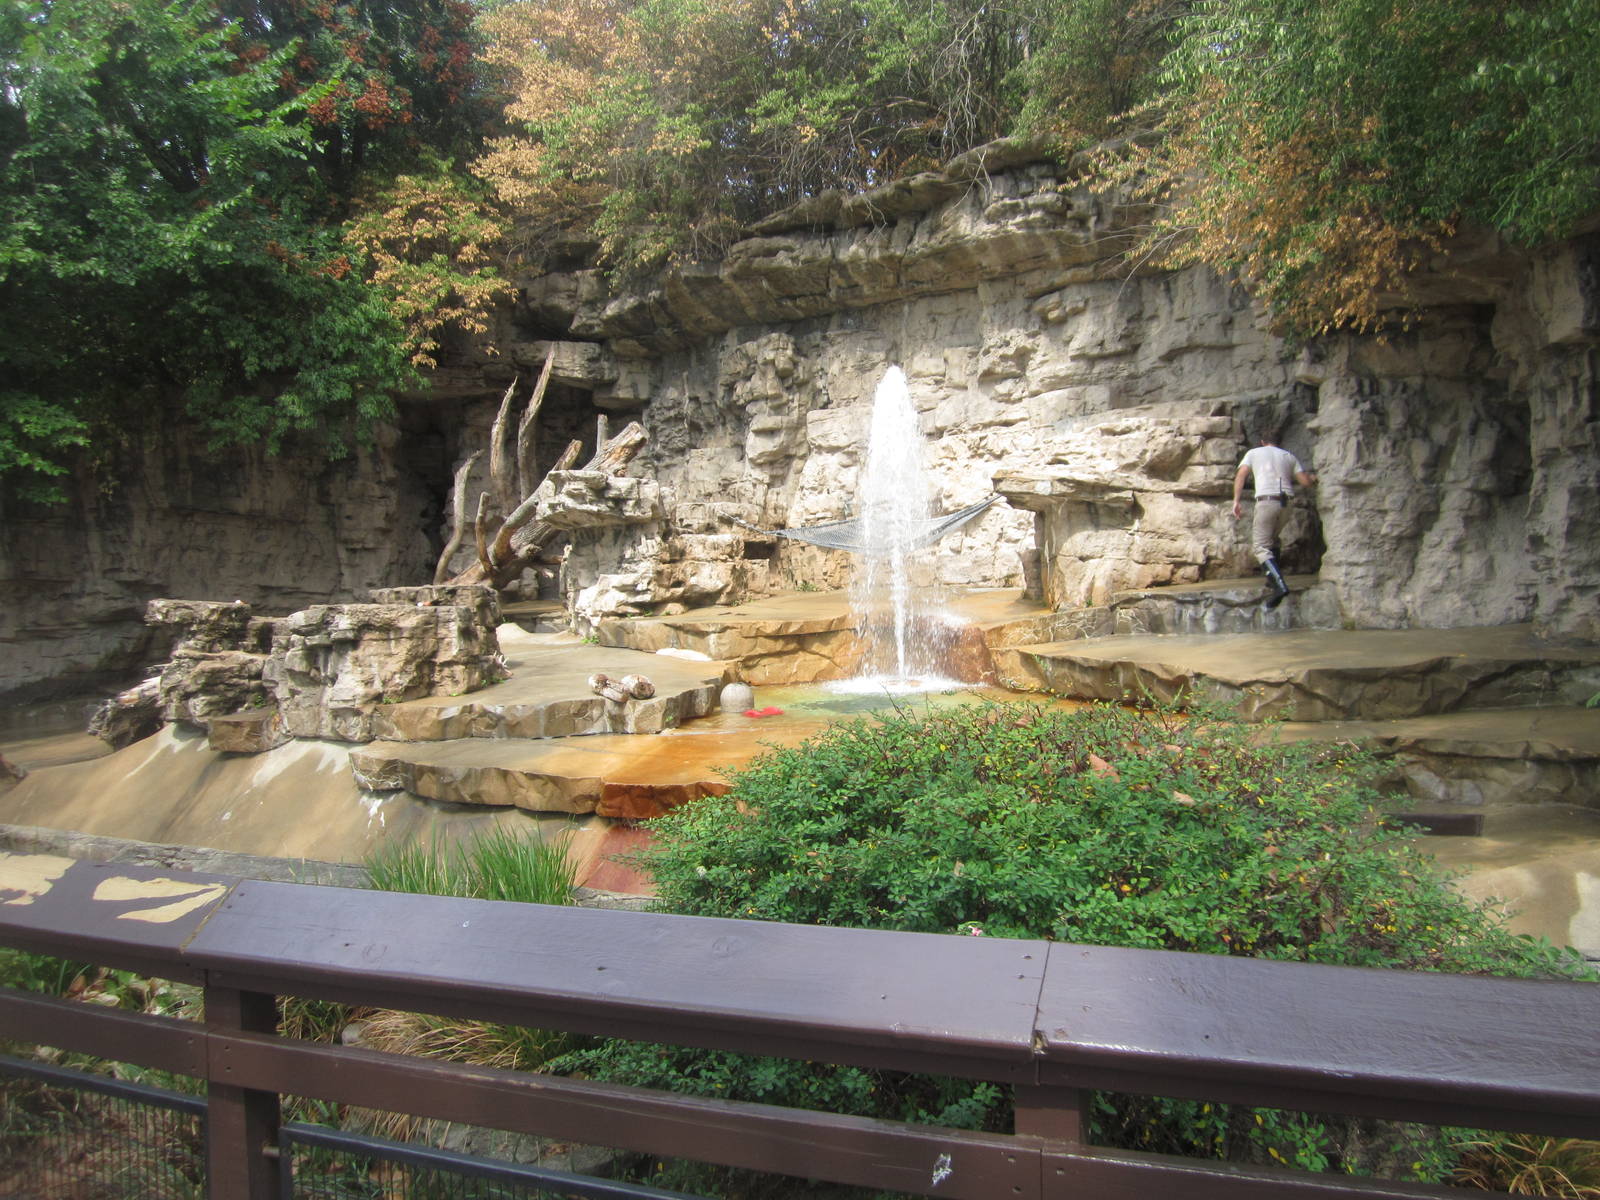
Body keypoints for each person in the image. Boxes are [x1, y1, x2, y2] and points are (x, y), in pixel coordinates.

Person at [1232, 430, 1316, 609]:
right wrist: (1315, 477)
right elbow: (1305, 482)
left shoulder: (1253, 453)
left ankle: (1279, 587)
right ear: (1279, 442)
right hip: (1286, 504)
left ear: (1262, 441)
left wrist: (1236, 501)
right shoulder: (1288, 455)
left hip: (1267, 501)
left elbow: (1241, 475)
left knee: (1261, 546)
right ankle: (1272, 582)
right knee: (1273, 540)